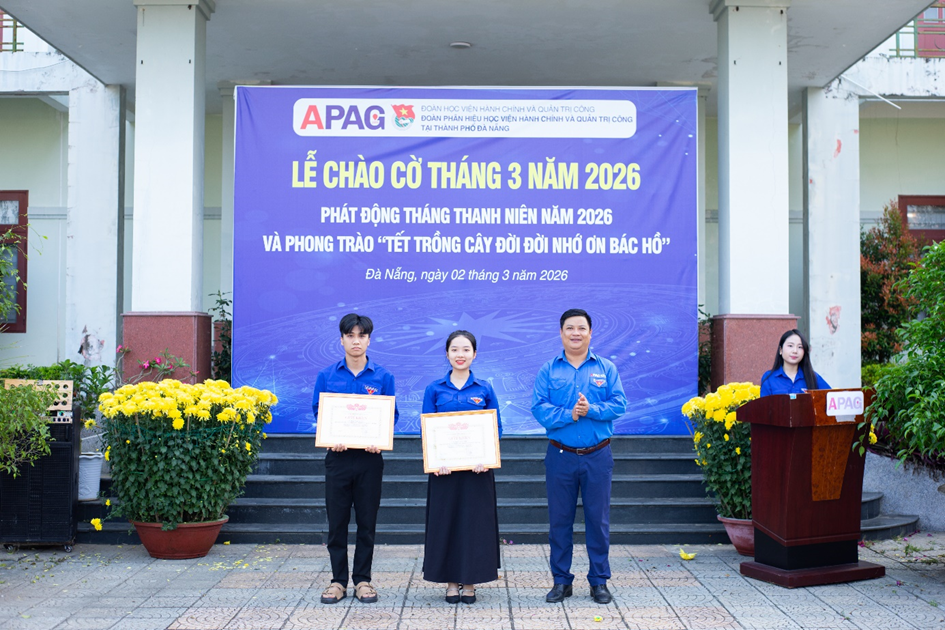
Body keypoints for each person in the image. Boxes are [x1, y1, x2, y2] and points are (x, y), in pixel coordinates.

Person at [531, 308, 627, 605]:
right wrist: (569, 414)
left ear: (590, 333)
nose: (576, 333)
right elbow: (538, 408)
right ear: (561, 333)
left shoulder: (606, 368)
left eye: (581, 328)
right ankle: (561, 581)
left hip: (598, 456)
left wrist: (591, 410)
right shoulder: (549, 370)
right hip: (560, 456)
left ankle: (599, 581)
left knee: (598, 521)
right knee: (560, 521)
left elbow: (620, 404)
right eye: (570, 328)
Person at [312, 313, 397, 605]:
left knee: (366, 522)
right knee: (337, 523)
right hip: (337, 457)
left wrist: (379, 438)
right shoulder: (327, 376)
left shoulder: (383, 377)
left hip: (369, 460)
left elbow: (391, 415)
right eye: (350, 336)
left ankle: (362, 580)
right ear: (342, 340)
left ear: (369, 340)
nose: (356, 341)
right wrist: (330, 434)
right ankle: (338, 581)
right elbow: (319, 412)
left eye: (361, 336)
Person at [421, 330, 501, 604]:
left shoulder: (484, 389)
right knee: (447, 524)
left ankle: (470, 582)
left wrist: (486, 456)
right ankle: (451, 583)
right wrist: (436, 460)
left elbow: (496, 428)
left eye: (466, 349)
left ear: (474, 354)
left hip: (477, 471)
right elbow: (427, 429)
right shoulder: (434, 389)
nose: (460, 354)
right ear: (447, 354)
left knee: (473, 525)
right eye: (454, 349)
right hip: (444, 472)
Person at [759, 329, 830, 397]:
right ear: (780, 350)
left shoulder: (813, 377)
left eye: (800, 347)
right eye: (790, 346)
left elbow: (831, 397)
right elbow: (764, 404)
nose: (795, 351)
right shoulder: (769, 378)